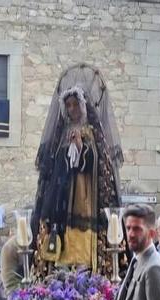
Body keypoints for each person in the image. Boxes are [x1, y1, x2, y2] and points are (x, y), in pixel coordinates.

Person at [30, 67, 124, 279]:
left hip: (84, 194)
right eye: (68, 105)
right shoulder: (60, 135)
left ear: (83, 106)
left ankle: (84, 265)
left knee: (82, 229)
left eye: (75, 105)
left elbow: (99, 165)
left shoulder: (92, 133)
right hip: (61, 196)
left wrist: (82, 148)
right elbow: (52, 167)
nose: (72, 109)